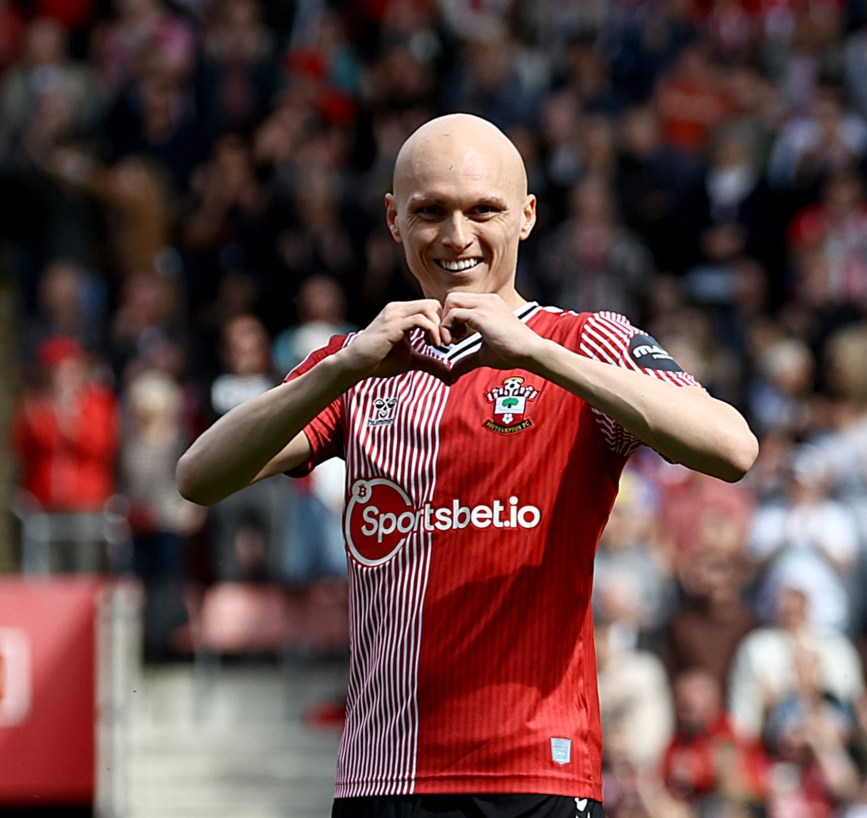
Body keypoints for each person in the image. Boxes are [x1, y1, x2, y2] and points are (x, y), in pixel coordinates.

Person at [176, 112, 758, 818]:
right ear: (394, 218)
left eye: (483, 209)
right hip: (383, 780)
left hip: (537, 776)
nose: (456, 237)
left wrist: (536, 355)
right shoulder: (361, 364)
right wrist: (341, 366)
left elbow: (733, 448)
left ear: (527, 216)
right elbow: (199, 476)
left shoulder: (581, 342)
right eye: (430, 212)